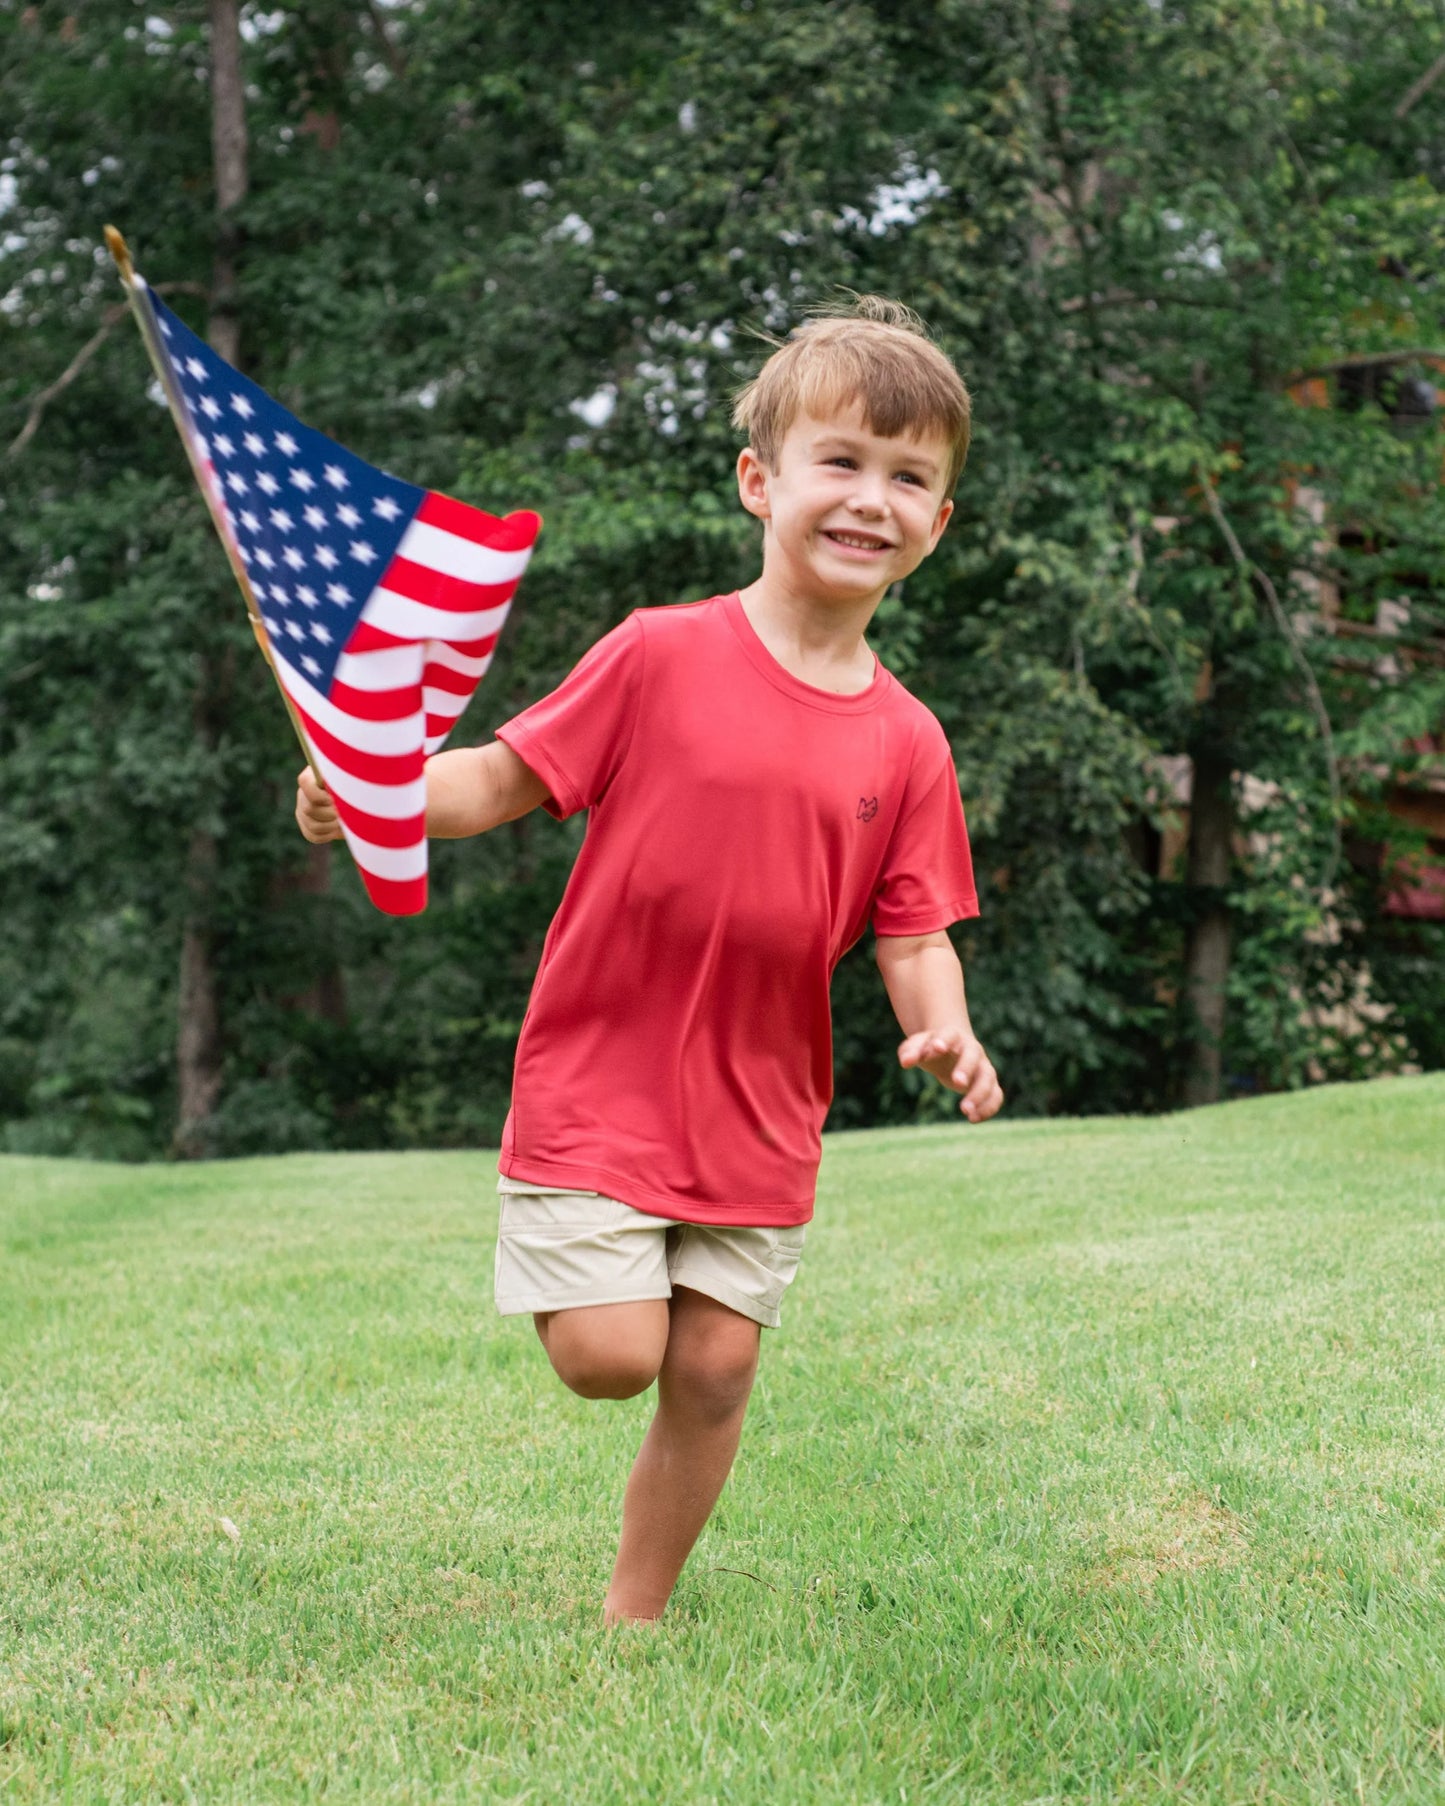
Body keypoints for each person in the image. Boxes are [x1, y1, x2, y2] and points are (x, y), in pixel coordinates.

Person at [295, 296, 1004, 1623]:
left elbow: (913, 932)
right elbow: (504, 779)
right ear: (759, 480)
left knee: (718, 1368)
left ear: (939, 523)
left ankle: (635, 1613)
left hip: (759, 1100)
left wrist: (940, 1027)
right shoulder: (659, 651)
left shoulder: (909, 741)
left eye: (909, 478)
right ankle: (607, 1300)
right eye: (839, 461)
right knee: (614, 1355)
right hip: (603, 1070)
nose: (871, 499)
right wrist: (376, 787)